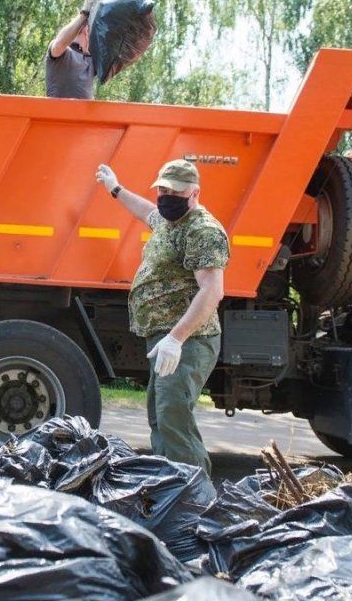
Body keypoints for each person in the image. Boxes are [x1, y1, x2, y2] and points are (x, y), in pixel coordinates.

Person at [95, 159, 229, 475]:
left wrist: (176, 338)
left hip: (188, 340)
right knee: (160, 415)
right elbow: (145, 211)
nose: (166, 196)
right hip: (166, 337)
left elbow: (212, 291)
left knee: (173, 417)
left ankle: (194, 499)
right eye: (163, 189)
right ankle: (170, 484)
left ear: (194, 192)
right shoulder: (172, 221)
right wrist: (116, 189)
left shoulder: (203, 231)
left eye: (174, 191)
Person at [45, 0, 97, 99]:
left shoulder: (91, 60)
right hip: (57, 114)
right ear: (86, 30)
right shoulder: (64, 52)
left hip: (83, 116)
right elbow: (60, 43)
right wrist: (84, 15)